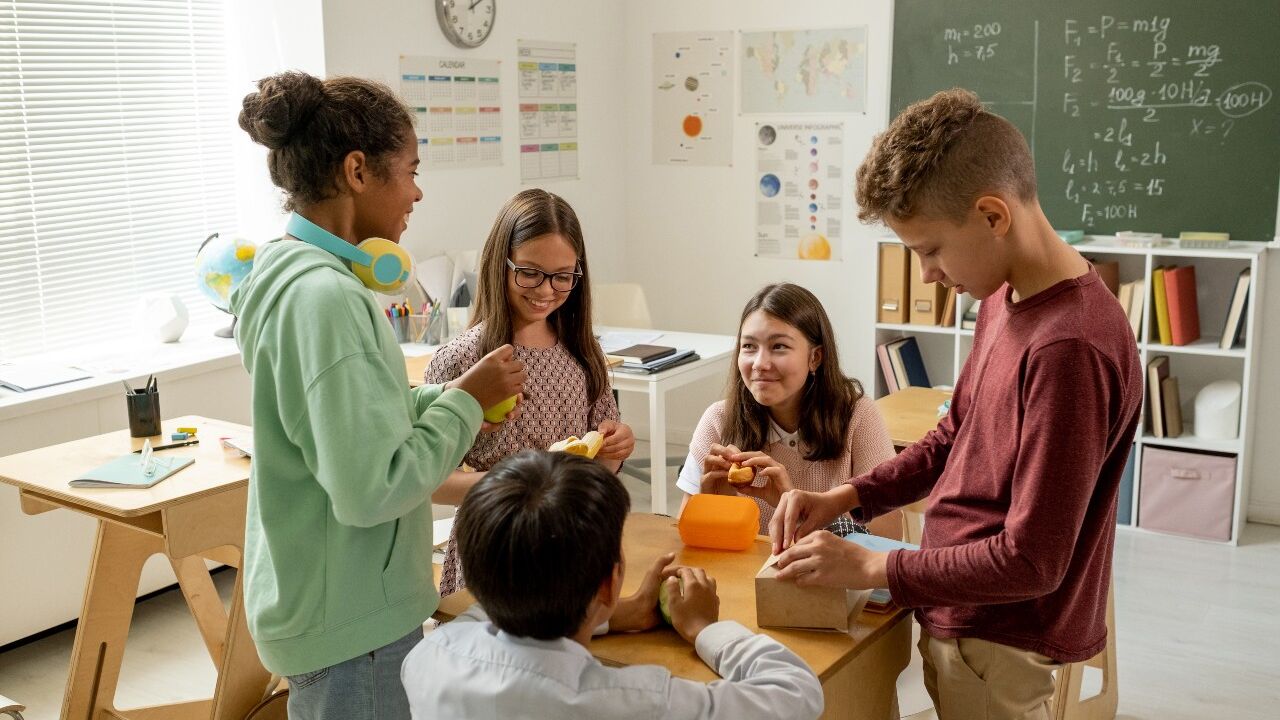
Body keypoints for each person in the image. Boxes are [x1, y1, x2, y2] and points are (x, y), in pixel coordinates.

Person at [770, 88, 1142, 720]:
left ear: (994, 215)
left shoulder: (1069, 348)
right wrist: (849, 497)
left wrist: (872, 566)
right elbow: (955, 436)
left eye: (930, 250)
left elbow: (1033, 560)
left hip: (1003, 636)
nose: (927, 276)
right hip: (959, 610)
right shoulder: (1005, 297)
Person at [231, 70, 525, 718]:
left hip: (321, 599)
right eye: (411, 170)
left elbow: (353, 424)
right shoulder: (329, 298)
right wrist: (466, 402)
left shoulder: (284, 275)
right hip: (353, 621)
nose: (417, 192)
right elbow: (373, 487)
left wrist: (446, 396)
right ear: (358, 170)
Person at [402, 450, 824, 719]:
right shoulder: (637, 701)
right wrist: (705, 629)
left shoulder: (427, 659)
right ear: (608, 583)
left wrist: (616, 615)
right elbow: (797, 692)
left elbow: (480, 613)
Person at [425, 188, 635, 596]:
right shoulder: (465, 358)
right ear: (499, 265)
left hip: (568, 548)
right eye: (529, 272)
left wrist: (613, 450)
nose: (545, 290)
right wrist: (521, 485)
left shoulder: (584, 354)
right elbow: (429, 479)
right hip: (493, 550)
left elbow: (598, 469)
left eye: (562, 276)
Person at [677, 282, 900, 539]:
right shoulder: (718, 420)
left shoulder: (858, 417)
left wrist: (798, 510)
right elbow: (687, 540)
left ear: (815, 357)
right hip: (743, 577)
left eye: (779, 346)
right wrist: (713, 505)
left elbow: (889, 537)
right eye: (749, 346)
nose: (760, 364)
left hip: (829, 578)